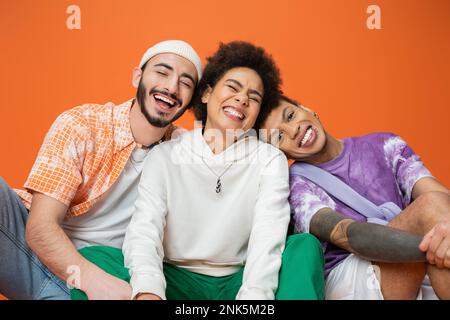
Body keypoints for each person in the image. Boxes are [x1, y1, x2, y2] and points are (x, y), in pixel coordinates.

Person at [71, 41, 325, 300]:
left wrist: (253, 299)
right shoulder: (165, 155)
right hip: (175, 280)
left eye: (254, 97)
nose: (242, 99)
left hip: (239, 279)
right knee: (94, 259)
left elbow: (267, 237)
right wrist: (149, 292)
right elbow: (144, 230)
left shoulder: (270, 159)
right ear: (206, 94)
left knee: (304, 247)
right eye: (232, 88)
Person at [0, 40, 202, 300]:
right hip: (32, 254)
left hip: (107, 273)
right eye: (162, 72)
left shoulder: (185, 153)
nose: (172, 87)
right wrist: (93, 280)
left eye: (185, 83)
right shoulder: (83, 125)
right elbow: (40, 228)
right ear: (137, 77)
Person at [261, 95, 450, 300]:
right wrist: (435, 247)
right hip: (351, 274)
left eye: (290, 116)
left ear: (306, 108)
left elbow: (440, 198)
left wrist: (442, 240)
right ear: (280, 153)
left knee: (438, 215)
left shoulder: (384, 143)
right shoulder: (296, 187)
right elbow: (354, 236)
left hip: (412, 260)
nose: (293, 130)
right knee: (432, 216)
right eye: (279, 137)